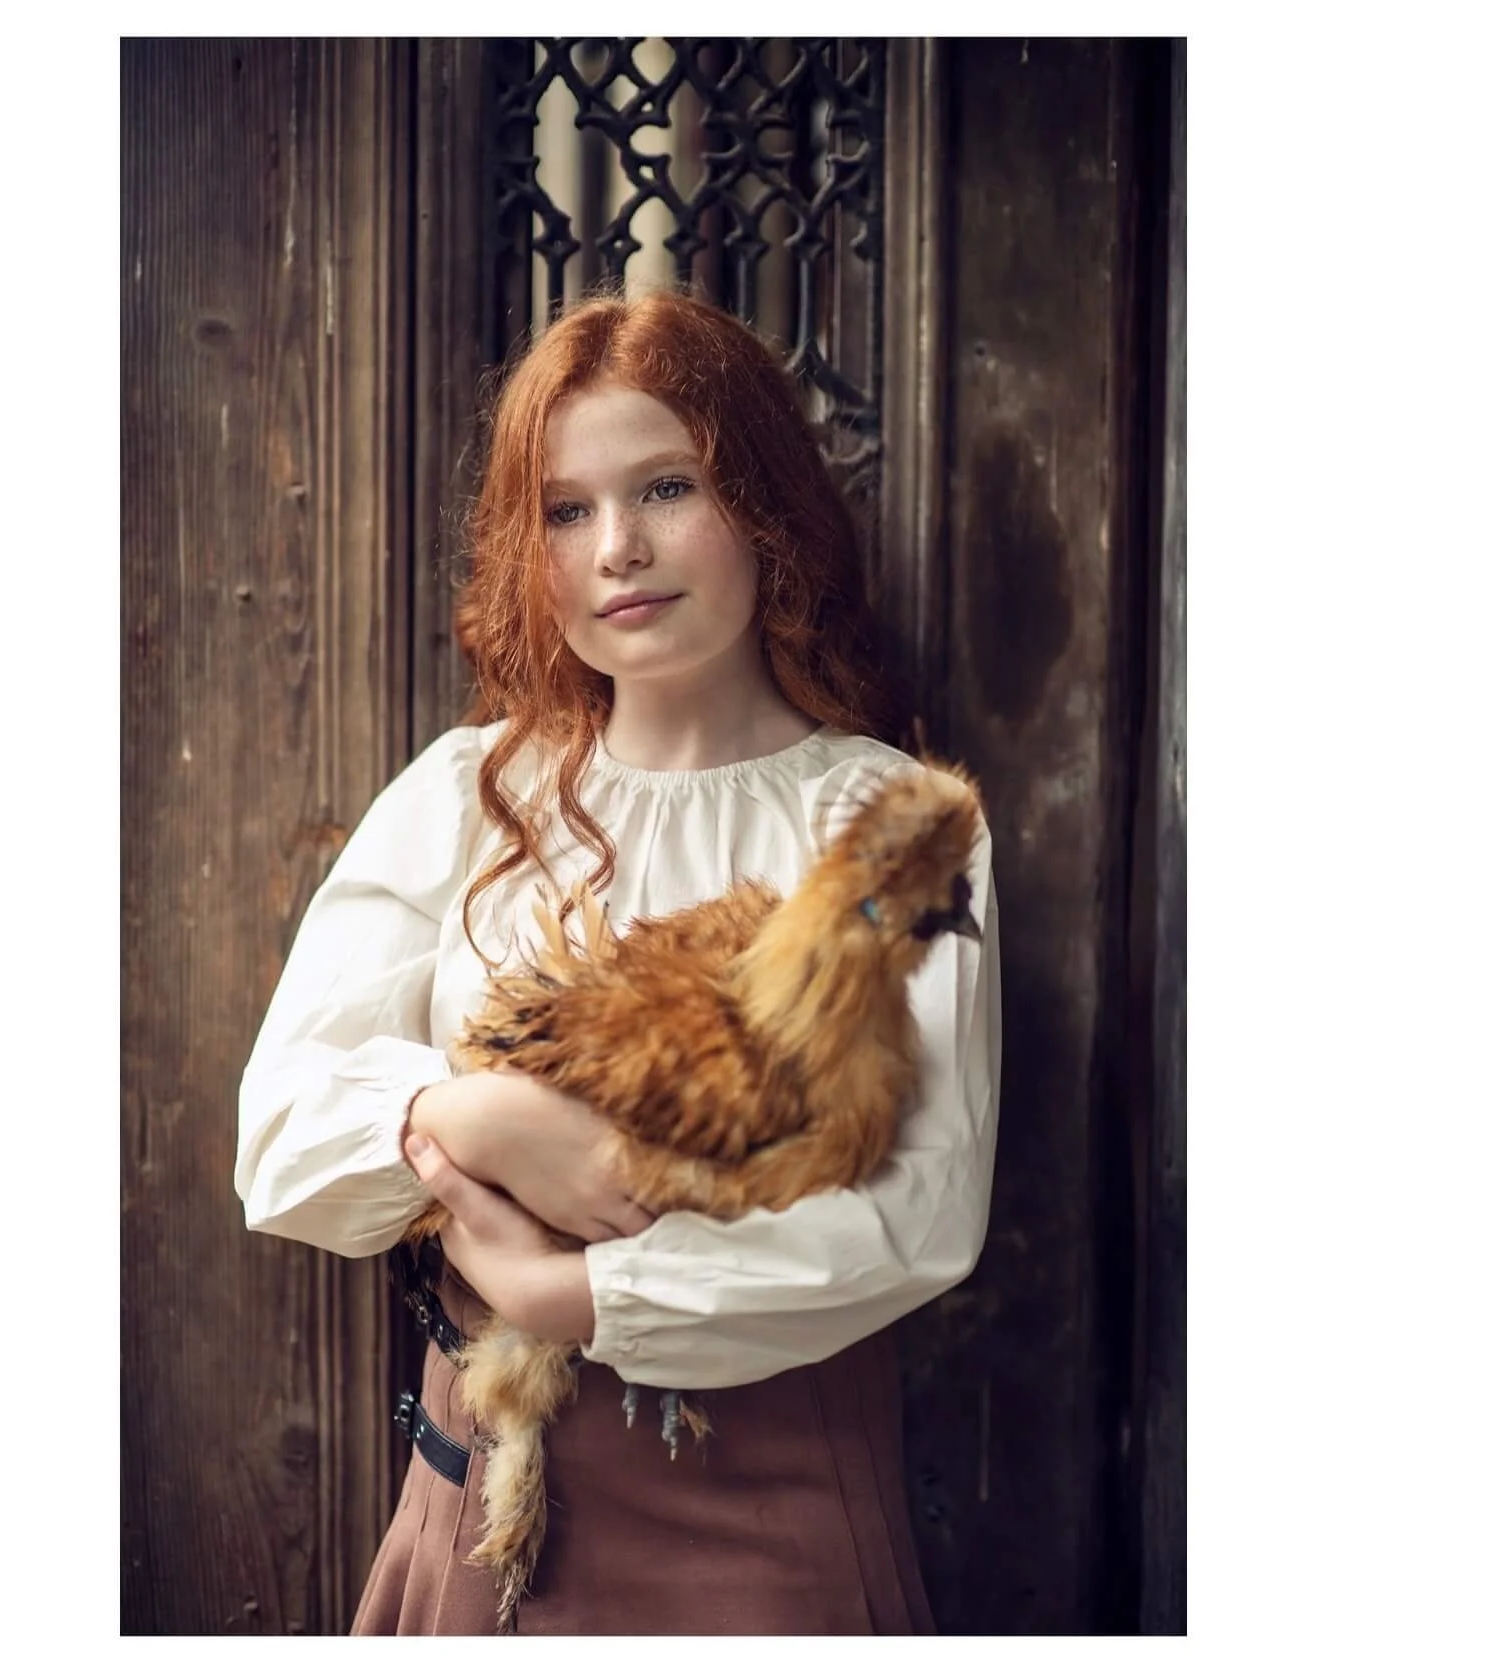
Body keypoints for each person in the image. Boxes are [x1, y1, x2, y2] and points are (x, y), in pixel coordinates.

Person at [234, 288, 1001, 1636]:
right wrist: (462, 1115)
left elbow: (916, 1216)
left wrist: (574, 1290)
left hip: (773, 1506)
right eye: (567, 510)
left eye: (667, 487)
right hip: (483, 1496)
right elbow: (282, 1140)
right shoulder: (474, 793)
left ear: (761, 504)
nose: (619, 550)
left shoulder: (881, 823)